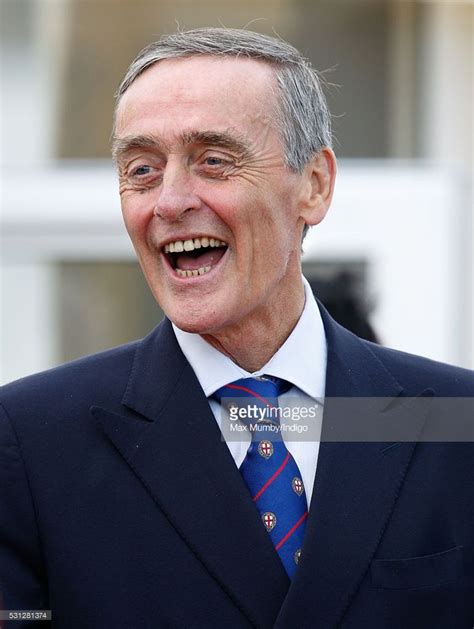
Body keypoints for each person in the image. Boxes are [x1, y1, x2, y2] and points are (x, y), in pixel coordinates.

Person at [0, 28, 473, 629]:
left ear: (315, 185)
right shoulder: (30, 442)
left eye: (214, 161)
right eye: (141, 169)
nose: (170, 201)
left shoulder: (454, 421)